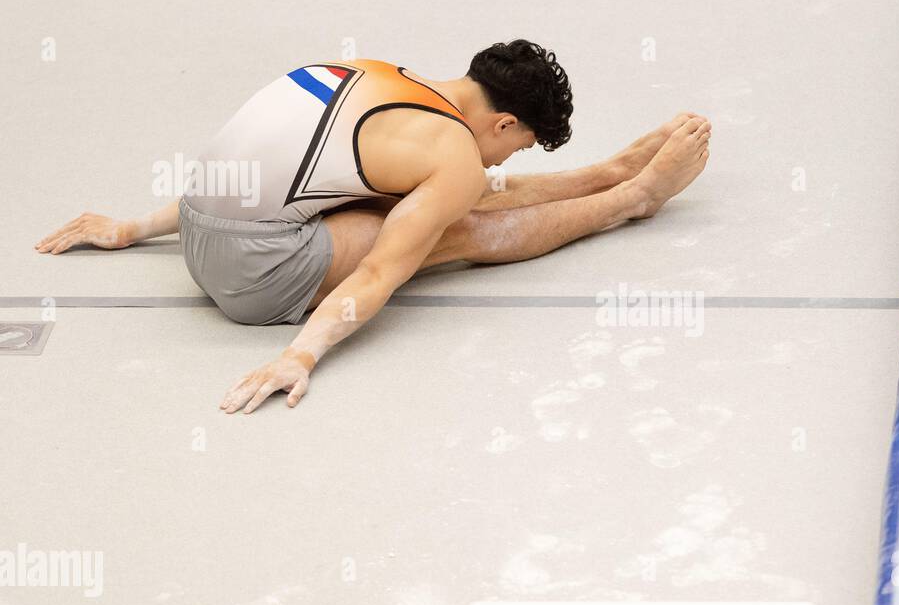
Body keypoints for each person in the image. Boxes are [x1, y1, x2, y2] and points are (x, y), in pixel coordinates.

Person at [34, 40, 711, 414]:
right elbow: (384, 269)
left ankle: (606, 175)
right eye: (521, 145)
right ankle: (636, 198)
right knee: (457, 225)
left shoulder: (380, 73)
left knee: (440, 195)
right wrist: (300, 355)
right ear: (503, 122)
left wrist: (132, 227)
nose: (508, 157)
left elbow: (250, 171)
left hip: (195, 222)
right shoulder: (452, 156)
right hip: (250, 278)